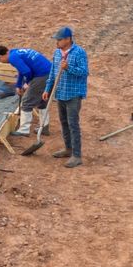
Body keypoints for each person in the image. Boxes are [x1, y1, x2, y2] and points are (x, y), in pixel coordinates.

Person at [0, 44, 52, 137]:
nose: (1, 62)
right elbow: (21, 70)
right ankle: (44, 127)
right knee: (42, 101)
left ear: (1, 56)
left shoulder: (12, 58)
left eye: (0, 60)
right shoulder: (16, 53)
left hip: (42, 75)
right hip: (49, 72)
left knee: (26, 102)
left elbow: (27, 72)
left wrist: (27, 83)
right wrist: (18, 85)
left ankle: (24, 130)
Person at [49, 26, 88, 168]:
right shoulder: (57, 53)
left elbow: (84, 72)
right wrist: (48, 89)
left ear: (68, 39)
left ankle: (77, 155)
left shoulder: (79, 53)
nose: (57, 42)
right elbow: (52, 73)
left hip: (73, 94)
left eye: (59, 39)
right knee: (64, 122)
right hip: (61, 93)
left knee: (73, 124)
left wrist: (68, 68)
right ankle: (68, 149)